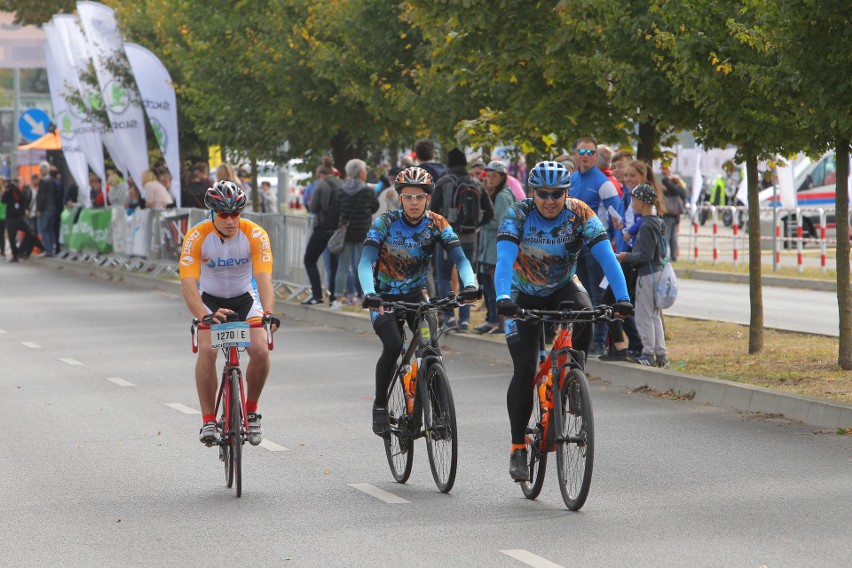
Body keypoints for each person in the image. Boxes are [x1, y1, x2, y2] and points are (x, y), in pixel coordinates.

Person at [493, 161, 633, 482]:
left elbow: (607, 256)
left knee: (587, 314)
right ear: (533, 192)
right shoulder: (518, 214)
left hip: (562, 286)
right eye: (542, 193)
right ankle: (518, 448)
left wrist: (623, 297)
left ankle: (574, 378)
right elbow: (504, 259)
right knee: (526, 369)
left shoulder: (580, 213)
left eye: (557, 193)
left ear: (567, 192)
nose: (550, 200)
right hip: (520, 292)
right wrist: (502, 298)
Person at [358, 166, 480, 437]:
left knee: (430, 349)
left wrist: (470, 284)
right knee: (392, 345)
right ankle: (379, 406)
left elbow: (460, 259)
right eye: (409, 197)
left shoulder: (437, 223)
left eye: (420, 197)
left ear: (428, 198)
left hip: (416, 295)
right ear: (399, 198)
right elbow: (366, 262)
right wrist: (370, 293)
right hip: (383, 297)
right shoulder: (386, 223)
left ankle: (438, 415)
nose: (414, 202)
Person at [178, 180, 278, 445]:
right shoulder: (197, 236)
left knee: (260, 351)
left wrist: (268, 312)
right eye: (224, 214)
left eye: (236, 214)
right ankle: (209, 419)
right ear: (212, 213)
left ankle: (252, 411)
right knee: (207, 351)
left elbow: (264, 278)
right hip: (210, 301)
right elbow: (188, 283)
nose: (231, 220)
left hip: (245, 299)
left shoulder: (255, 234)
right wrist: (203, 315)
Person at [429, 148, 494, 332]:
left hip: (447, 237)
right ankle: (464, 320)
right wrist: (477, 225)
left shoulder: (443, 182)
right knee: (467, 277)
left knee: (443, 276)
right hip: (470, 238)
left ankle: (449, 317)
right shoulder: (475, 183)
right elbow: (490, 211)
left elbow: (432, 211)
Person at [569, 137, 623, 356]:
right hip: (574, 247)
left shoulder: (604, 184)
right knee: (579, 295)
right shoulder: (570, 180)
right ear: (576, 154)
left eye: (590, 152)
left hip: (596, 248)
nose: (585, 156)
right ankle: (582, 340)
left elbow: (617, 219)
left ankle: (599, 341)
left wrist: (615, 246)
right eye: (581, 151)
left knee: (598, 296)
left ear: (596, 156)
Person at [617, 183, 667, 368]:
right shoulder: (658, 221)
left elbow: (645, 255)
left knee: (644, 315)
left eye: (634, 199)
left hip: (647, 274)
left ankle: (647, 353)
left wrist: (626, 256)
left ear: (642, 202)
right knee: (654, 315)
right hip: (658, 271)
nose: (632, 202)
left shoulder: (646, 226)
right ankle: (660, 353)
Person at [475, 159, 518, 334]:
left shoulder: (502, 196)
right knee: (488, 286)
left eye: (494, 176)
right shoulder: (493, 193)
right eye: (488, 176)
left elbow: (500, 221)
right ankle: (493, 320)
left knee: (497, 286)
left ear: (502, 177)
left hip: (496, 249)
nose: (490, 179)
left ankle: (501, 324)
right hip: (488, 248)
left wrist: (480, 218)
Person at [332, 159, 379, 309]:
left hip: (346, 233)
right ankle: (368, 297)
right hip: (363, 232)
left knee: (342, 267)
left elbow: (337, 209)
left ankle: (338, 299)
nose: (366, 173)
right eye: (365, 170)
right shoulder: (368, 191)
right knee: (365, 266)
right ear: (360, 172)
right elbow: (374, 207)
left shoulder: (341, 190)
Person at [302, 163, 343, 305]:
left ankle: (317, 295)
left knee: (309, 259)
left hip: (321, 228)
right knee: (334, 265)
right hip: (336, 230)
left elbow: (312, 207)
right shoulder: (341, 184)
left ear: (321, 174)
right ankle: (333, 298)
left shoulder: (321, 185)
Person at [35, 162, 57, 257]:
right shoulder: (52, 180)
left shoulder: (43, 181)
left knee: (43, 229)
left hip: (45, 208)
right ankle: (52, 248)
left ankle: (48, 250)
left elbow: (41, 196)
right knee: (50, 229)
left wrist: (39, 209)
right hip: (52, 207)